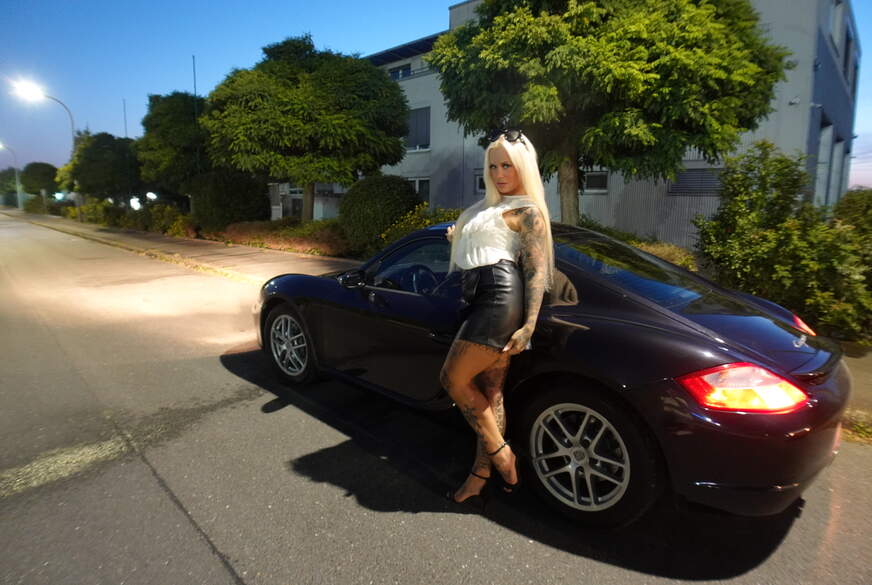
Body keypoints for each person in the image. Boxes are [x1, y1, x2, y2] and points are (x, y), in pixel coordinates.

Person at [440, 129, 554, 509]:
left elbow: (536, 271)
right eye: (493, 166)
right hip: (476, 296)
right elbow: (482, 249)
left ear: (523, 167)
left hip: (499, 299)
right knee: (490, 394)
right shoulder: (485, 208)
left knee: (452, 378)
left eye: (507, 165)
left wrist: (529, 325)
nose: (500, 173)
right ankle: (480, 475)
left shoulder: (527, 211)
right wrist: (460, 238)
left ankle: (502, 454)